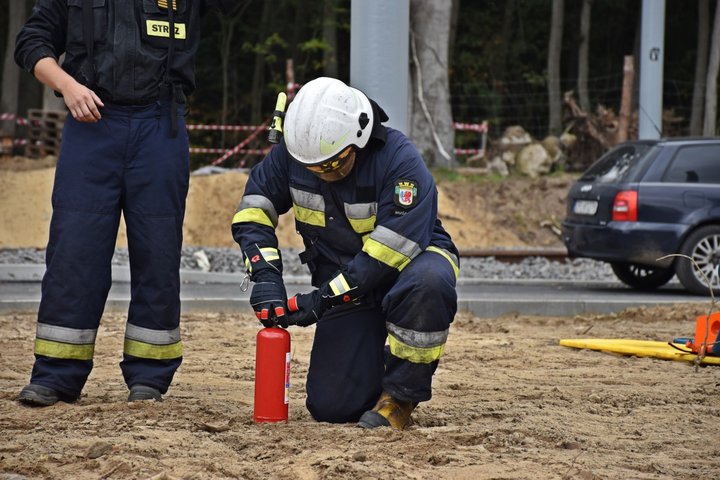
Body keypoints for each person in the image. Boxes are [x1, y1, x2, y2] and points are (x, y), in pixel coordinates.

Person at [15, 0, 236, 406]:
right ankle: (56, 375)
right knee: (74, 253)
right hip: (91, 124)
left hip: (160, 127)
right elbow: (31, 42)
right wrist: (68, 86)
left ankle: (149, 376)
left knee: (158, 254)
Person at [232, 77, 459, 430]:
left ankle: (400, 397)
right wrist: (265, 275)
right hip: (348, 285)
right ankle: (373, 367)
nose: (325, 174)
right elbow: (253, 211)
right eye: (314, 169)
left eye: (334, 164)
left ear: (360, 138)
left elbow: (386, 255)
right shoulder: (294, 154)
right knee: (333, 407)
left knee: (429, 282)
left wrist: (322, 299)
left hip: (407, 268)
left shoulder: (399, 160)